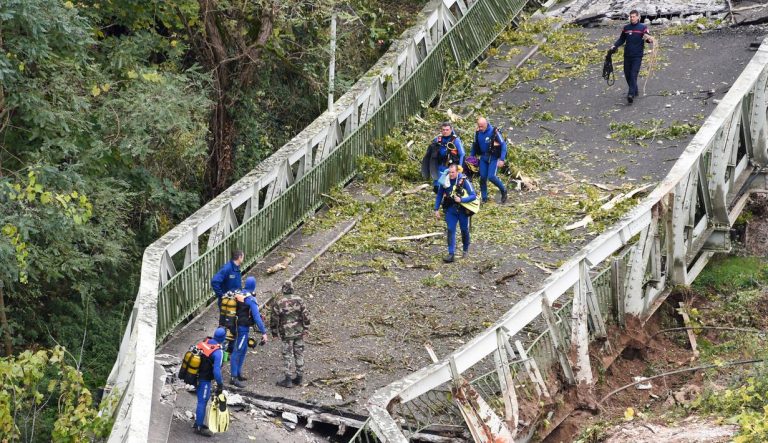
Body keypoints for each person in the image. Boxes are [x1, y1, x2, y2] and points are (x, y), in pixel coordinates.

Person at [229, 276, 268, 388]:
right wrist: (264, 332)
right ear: (254, 286)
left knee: (244, 349)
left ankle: (238, 373)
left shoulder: (239, 294)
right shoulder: (250, 299)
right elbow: (256, 317)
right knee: (237, 351)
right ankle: (233, 377)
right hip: (241, 328)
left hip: (236, 325)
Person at [433, 163, 477, 263]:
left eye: (453, 172)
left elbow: (473, 195)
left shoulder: (464, 180)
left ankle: (465, 250)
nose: (451, 174)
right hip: (450, 209)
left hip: (462, 209)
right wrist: (436, 209)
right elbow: (439, 195)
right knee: (450, 229)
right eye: (450, 172)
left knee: (464, 230)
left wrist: (461, 200)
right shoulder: (445, 181)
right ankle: (451, 253)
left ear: (457, 172)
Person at [271, 280, 310, 388]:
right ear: (292, 288)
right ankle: (299, 377)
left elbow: (274, 319)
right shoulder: (299, 300)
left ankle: (288, 379)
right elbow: (306, 315)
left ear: (283, 289)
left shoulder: (279, 302)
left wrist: (274, 333)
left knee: (287, 355)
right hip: (299, 331)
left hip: (286, 333)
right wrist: (306, 328)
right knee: (299, 353)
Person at [610, 9, 654, 104]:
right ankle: (635, 90)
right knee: (627, 75)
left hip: (637, 56)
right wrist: (614, 45)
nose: (632, 18)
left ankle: (630, 95)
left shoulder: (643, 27)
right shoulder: (626, 28)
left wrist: (650, 40)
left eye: (634, 16)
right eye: (631, 16)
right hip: (627, 55)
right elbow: (621, 39)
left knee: (633, 74)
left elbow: (647, 38)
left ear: (638, 17)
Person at [193, 327, 226, 437]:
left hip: (195, 375)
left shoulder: (206, 341)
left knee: (200, 400)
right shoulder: (218, 352)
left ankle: (198, 422)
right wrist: (220, 383)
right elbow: (216, 370)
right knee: (203, 401)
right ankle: (199, 427)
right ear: (223, 338)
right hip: (204, 379)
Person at [470, 117, 507, 203]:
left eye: (482, 126)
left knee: (491, 177)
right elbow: (474, 145)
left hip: (493, 157)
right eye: (479, 126)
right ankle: (484, 198)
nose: (480, 128)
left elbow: (503, 145)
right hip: (483, 157)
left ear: (486, 124)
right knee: (482, 178)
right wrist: (471, 157)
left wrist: (502, 159)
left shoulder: (494, 132)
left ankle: (503, 190)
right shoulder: (477, 132)